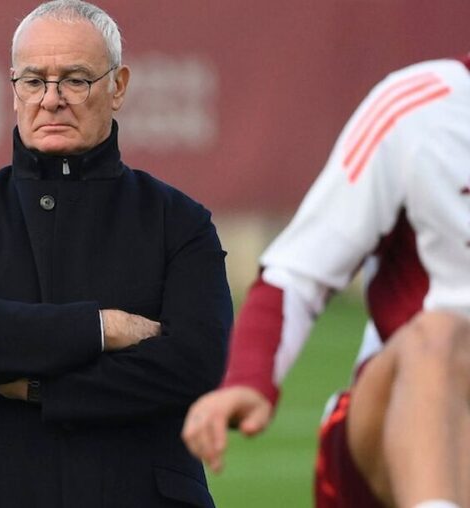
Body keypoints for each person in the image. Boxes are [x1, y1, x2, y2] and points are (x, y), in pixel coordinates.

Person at [0, 1, 233, 506]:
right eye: (34, 81)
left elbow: (195, 363)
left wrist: (36, 384)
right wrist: (104, 329)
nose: (51, 99)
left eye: (75, 80)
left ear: (118, 86)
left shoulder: (179, 220)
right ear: (13, 88)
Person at [181, 54, 470, 508]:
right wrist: (251, 378)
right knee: (442, 331)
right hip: (401, 410)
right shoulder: (421, 108)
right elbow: (297, 271)